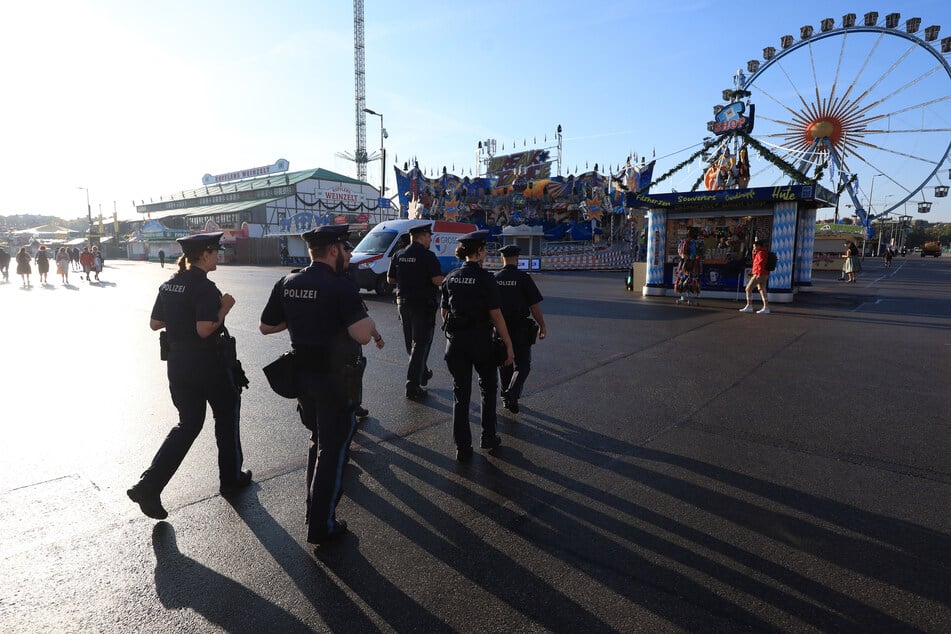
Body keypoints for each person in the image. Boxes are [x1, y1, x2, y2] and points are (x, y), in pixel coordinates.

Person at [259, 224, 384, 546]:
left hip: (303, 378)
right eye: (346, 248)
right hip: (335, 379)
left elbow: (267, 326)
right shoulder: (340, 286)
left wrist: (304, 316)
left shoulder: (288, 282)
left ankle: (313, 511)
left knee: (318, 441)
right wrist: (365, 324)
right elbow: (361, 335)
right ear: (332, 251)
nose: (350, 254)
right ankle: (322, 524)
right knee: (334, 449)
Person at [127, 232, 251, 520]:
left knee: (188, 424)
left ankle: (149, 485)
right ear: (205, 254)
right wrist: (224, 308)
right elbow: (205, 328)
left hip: (178, 365)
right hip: (209, 364)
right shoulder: (204, 287)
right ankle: (230, 479)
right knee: (227, 416)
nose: (218, 255)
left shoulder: (169, 285)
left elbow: (155, 323)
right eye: (215, 251)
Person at [440, 230, 514, 462]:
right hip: (481, 342)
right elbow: (497, 316)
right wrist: (509, 345)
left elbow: (444, 313)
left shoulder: (450, 277)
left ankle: (462, 447)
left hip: (456, 344)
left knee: (460, 395)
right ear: (480, 252)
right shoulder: (485, 279)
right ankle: (488, 437)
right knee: (488, 389)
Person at [387, 222, 444, 399]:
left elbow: (390, 279)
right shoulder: (428, 256)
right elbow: (437, 281)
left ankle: (423, 372)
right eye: (429, 237)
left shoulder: (399, 254)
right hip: (422, 304)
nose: (430, 240)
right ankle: (413, 384)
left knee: (411, 342)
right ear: (423, 237)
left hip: (403, 303)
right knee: (421, 343)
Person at [494, 245, 547, 414]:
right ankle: (513, 393)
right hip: (520, 328)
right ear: (517, 259)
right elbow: (534, 306)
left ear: (502, 258)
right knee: (523, 364)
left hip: (500, 327)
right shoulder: (523, 278)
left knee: (504, 363)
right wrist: (542, 325)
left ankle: (506, 397)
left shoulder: (494, 278)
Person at [739, 239, 770, 314]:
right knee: (762, 289)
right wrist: (754, 254)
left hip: (758, 274)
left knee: (748, 288)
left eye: (754, 247)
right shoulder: (762, 252)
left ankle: (749, 306)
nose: (753, 248)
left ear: (758, 246)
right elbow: (756, 261)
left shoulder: (761, 253)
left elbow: (760, 264)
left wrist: (759, 273)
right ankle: (766, 307)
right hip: (764, 273)